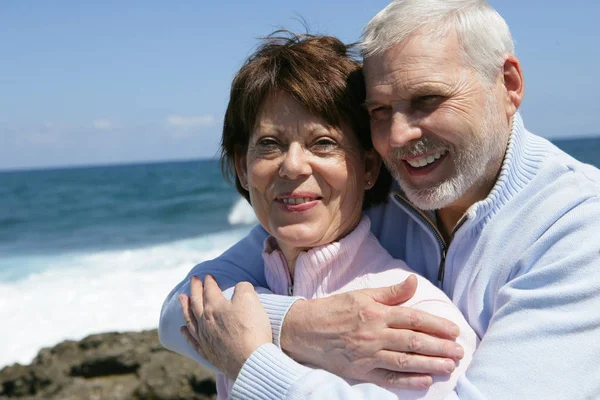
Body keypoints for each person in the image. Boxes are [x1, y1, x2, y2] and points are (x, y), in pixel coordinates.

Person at [160, 0, 600, 398]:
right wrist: (299, 326)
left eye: (427, 99)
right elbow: (181, 306)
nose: (398, 136)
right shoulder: (384, 189)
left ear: (508, 84)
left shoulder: (577, 225)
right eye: (380, 111)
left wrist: (255, 364)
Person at [179, 31, 477, 400]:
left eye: (323, 143)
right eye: (269, 144)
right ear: (243, 166)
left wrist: (251, 365)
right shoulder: (238, 307)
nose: (292, 165)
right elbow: (179, 305)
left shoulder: (414, 317)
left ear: (368, 167)